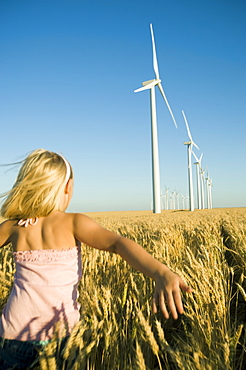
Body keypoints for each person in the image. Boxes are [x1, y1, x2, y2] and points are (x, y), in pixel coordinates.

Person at [0, 149, 192, 368]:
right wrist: (161, 272)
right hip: (62, 335)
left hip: (12, 334)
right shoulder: (73, 222)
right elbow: (118, 244)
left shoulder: (14, 226)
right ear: (67, 187)